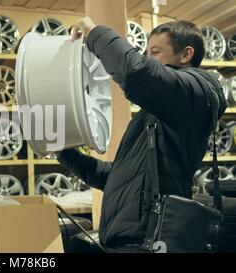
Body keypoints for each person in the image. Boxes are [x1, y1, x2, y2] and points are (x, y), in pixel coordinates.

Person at [57, 17, 227, 252]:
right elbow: (117, 178)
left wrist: (94, 32)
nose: (148, 58)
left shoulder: (197, 91)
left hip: (150, 241)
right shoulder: (155, 117)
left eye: (155, 52)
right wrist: (63, 152)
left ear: (186, 54)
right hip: (129, 240)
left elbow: (138, 73)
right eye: (146, 52)